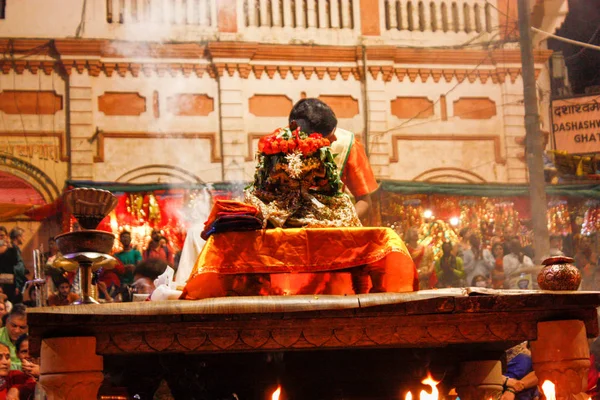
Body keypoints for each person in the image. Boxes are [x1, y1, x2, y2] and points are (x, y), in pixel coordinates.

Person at [288, 98, 379, 220]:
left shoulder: (347, 144)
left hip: (333, 227)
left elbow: (365, 201)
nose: (335, 138)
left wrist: (342, 225)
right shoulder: (280, 145)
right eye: (329, 136)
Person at [0, 228, 24, 305]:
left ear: (6, 236)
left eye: (2, 235)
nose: (1, 237)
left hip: (10, 283)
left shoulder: (12, 249)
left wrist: (17, 285)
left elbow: (16, 267)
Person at [0, 305, 27, 371]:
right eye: (14, 326)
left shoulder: (32, 341)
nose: (17, 331)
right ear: (6, 322)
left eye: (22, 327)